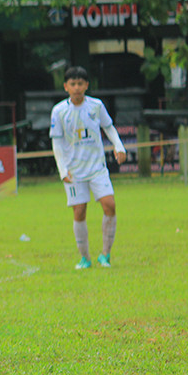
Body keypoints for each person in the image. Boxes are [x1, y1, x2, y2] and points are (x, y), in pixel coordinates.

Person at [50, 65, 127, 270]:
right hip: (74, 171)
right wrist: (62, 170)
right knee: (79, 211)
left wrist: (119, 146)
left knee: (110, 205)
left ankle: (105, 254)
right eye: (73, 84)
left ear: (86, 85)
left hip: (97, 167)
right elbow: (57, 143)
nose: (76, 87)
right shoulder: (59, 111)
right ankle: (85, 258)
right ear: (66, 86)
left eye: (80, 83)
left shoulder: (96, 106)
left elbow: (108, 127)